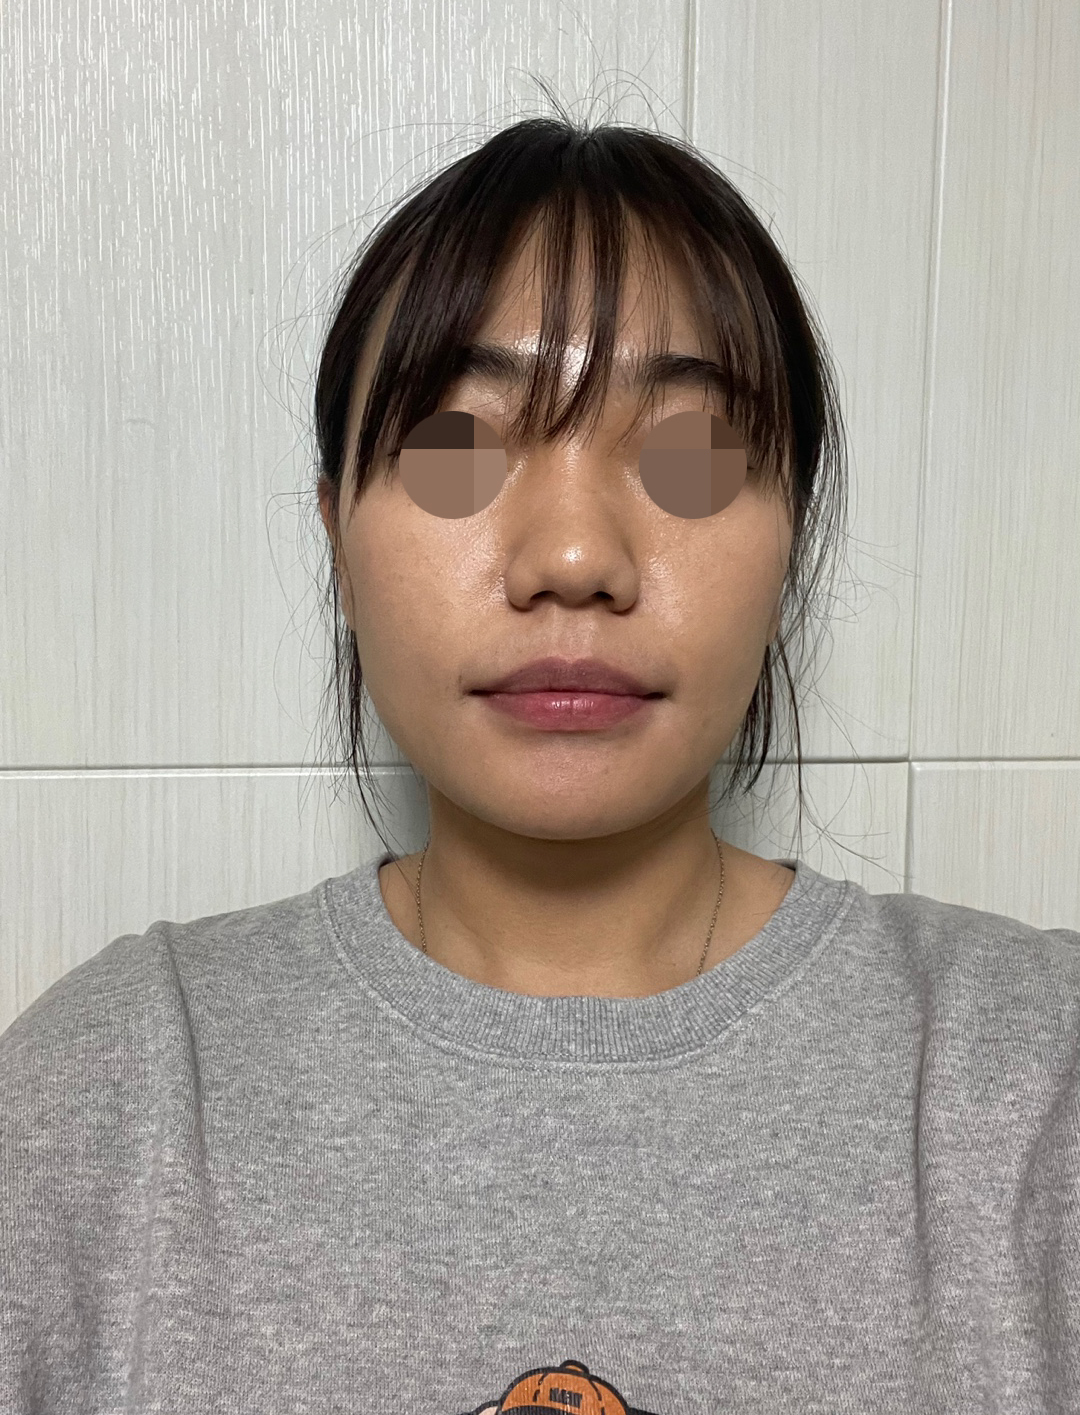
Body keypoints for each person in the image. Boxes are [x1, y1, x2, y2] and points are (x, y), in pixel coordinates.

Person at [2, 115, 1079, 1415]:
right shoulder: (108, 1096)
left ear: (792, 537)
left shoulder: (1032, 1085)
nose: (573, 558)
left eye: (687, 454)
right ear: (338, 539)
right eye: (457, 449)